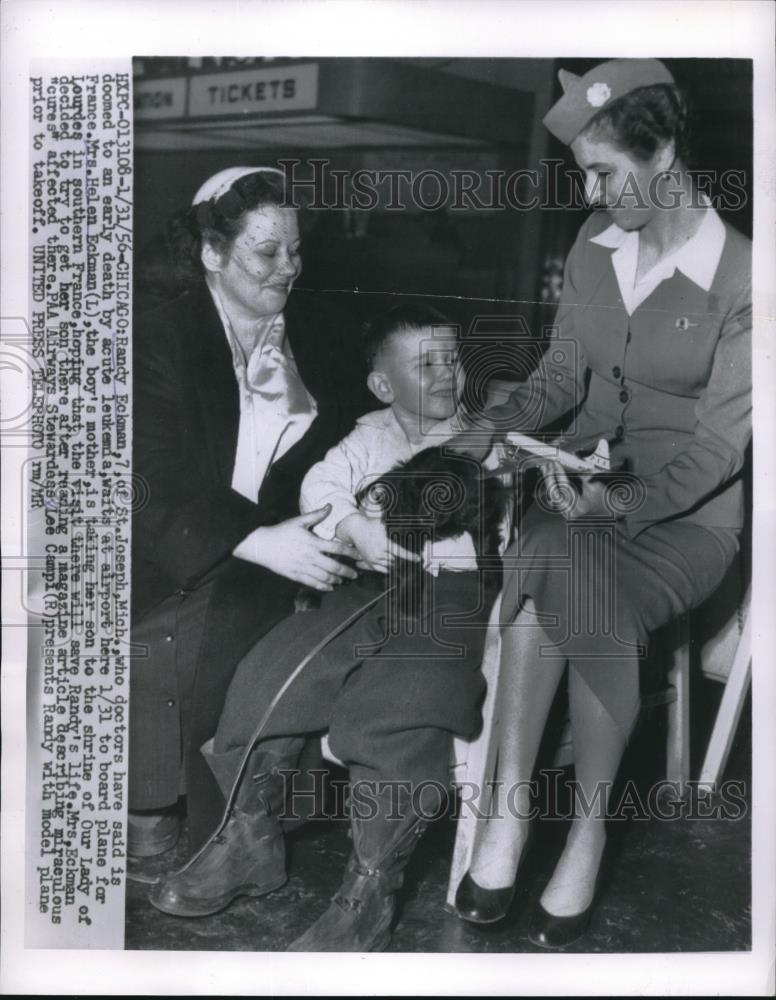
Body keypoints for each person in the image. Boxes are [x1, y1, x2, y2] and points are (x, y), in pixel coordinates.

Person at [454, 59, 751, 948]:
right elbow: (556, 378)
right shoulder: (595, 242)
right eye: (585, 172)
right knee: (566, 566)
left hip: (689, 524)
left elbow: (721, 449)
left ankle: (564, 831)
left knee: (566, 574)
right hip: (582, 494)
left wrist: (612, 508)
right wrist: (489, 431)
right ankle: (523, 820)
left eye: (604, 171)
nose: (591, 190)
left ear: (662, 153)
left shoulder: (745, 276)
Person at [147, 304, 507, 951]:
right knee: (273, 670)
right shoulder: (367, 438)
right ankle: (249, 839)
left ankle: (369, 888)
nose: (446, 373)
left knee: (395, 708)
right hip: (373, 593)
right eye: (425, 364)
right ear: (382, 385)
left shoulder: (488, 438)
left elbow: (514, 517)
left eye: (452, 359)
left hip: (453, 604)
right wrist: (350, 525)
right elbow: (321, 486)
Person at [129, 166, 375, 857]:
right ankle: (205, 823)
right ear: (212, 252)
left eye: (295, 251)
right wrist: (257, 540)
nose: (289, 268)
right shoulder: (158, 337)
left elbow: (353, 438)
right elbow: (146, 476)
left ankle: (242, 826)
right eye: (267, 253)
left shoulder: (315, 335)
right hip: (171, 562)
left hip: (287, 551)